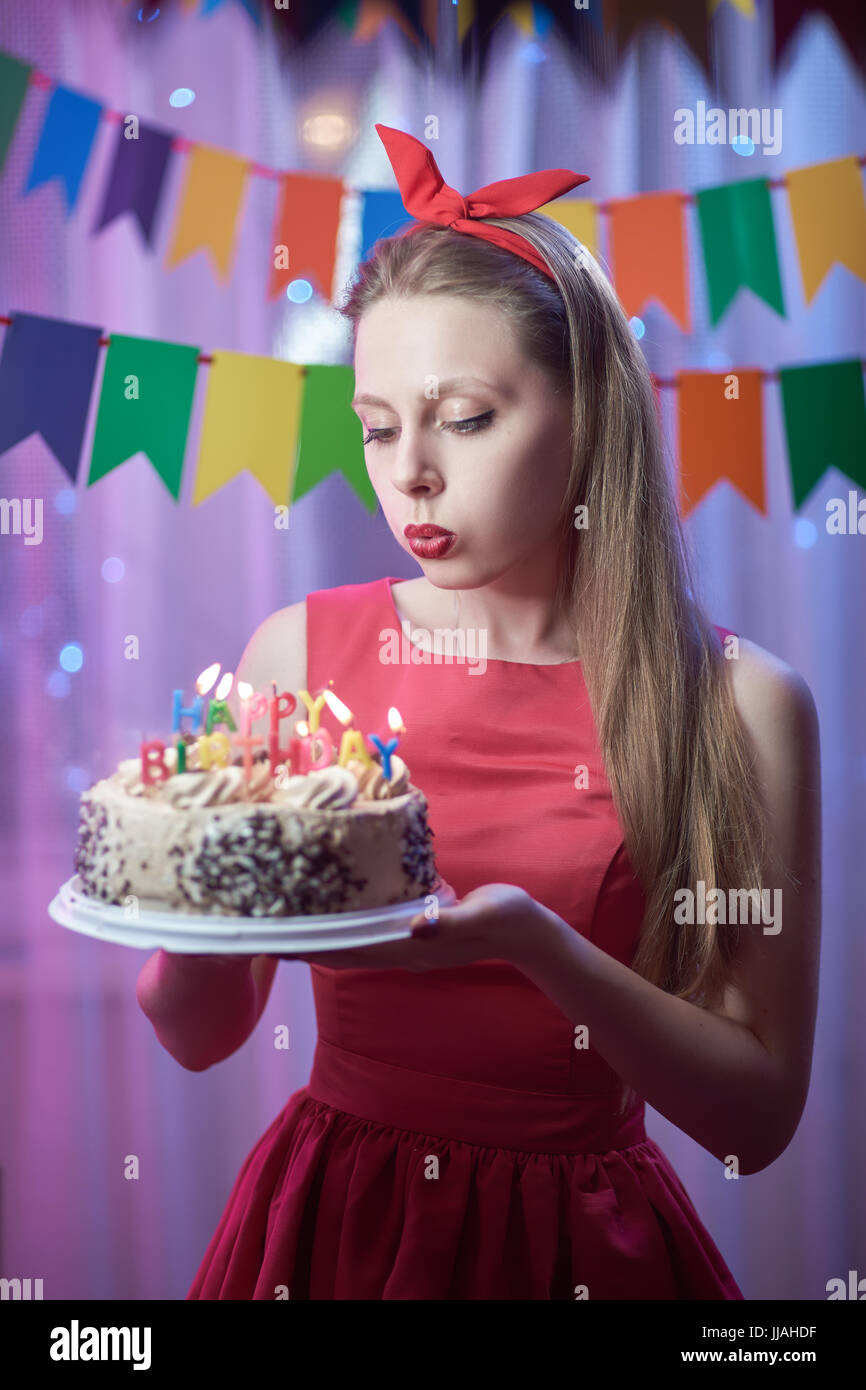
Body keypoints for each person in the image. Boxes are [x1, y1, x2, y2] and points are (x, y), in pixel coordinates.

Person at [137, 127, 820, 1300]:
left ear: (588, 414)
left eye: (462, 418)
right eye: (376, 423)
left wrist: (537, 949)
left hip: (578, 1249)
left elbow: (750, 1124)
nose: (408, 474)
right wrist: (184, 890)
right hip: (331, 1228)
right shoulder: (297, 654)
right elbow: (199, 1034)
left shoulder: (738, 705)